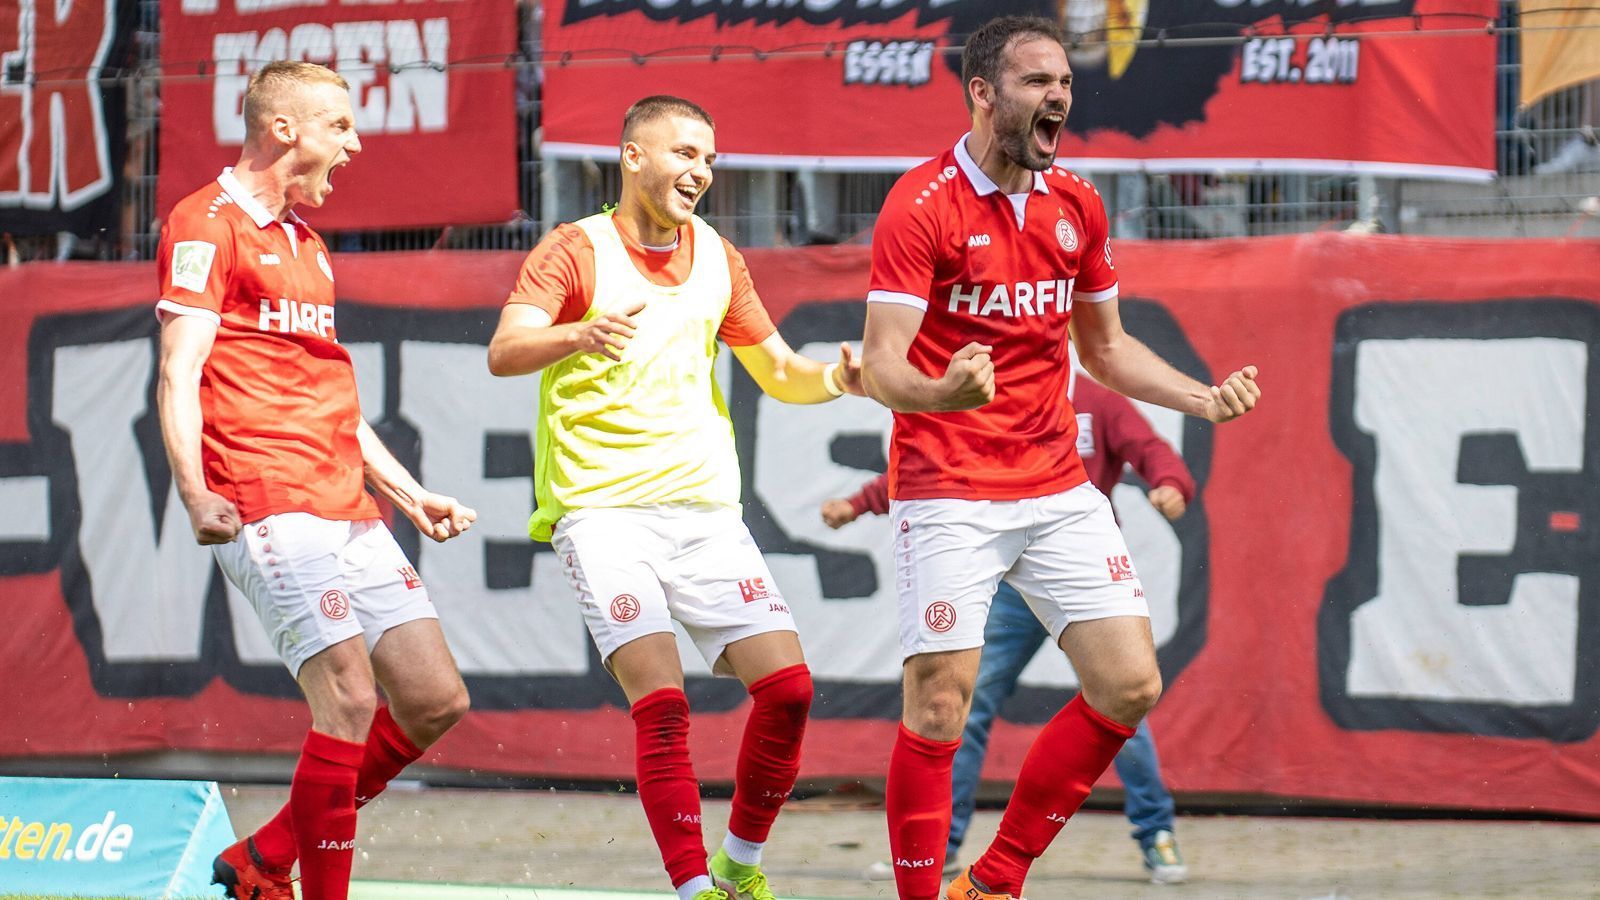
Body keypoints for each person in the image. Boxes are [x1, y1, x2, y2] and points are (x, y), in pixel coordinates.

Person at [858, 15, 1260, 900]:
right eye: (1039, 82)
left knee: (1129, 684)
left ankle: (993, 881)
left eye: (1065, 84)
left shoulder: (1077, 202)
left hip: (1053, 485)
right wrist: (939, 395)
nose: (1060, 98)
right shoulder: (919, 204)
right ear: (983, 93)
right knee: (937, 708)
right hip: (947, 485)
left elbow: (1107, 351)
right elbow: (883, 364)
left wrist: (1202, 397)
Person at [487, 95, 865, 900]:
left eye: (710, 160)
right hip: (600, 517)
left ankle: (739, 866)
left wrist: (837, 377)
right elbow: (505, 350)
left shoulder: (720, 257)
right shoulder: (573, 250)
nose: (700, 172)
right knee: (663, 707)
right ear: (632, 156)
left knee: (790, 692)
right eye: (685, 153)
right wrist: (576, 333)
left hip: (703, 519)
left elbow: (781, 372)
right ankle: (693, 887)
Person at [155, 62, 478, 900]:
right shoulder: (206, 223)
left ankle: (263, 857)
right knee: (348, 700)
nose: (355, 143)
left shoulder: (308, 244)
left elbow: (329, 401)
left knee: (435, 700)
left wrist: (410, 492)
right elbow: (177, 375)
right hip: (263, 499)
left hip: (346, 501)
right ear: (286, 129)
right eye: (341, 125)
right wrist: (195, 491)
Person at [824, 367, 1195, 885]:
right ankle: (945, 845)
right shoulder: (994, 387)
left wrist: (1171, 482)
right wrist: (859, 503)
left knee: (1123, 699)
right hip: (1008, 586)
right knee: (956, 708)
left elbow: (1149, 447)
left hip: (1074, 572)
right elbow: (947, 464)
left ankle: (1156, 834)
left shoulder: (1097, 399)